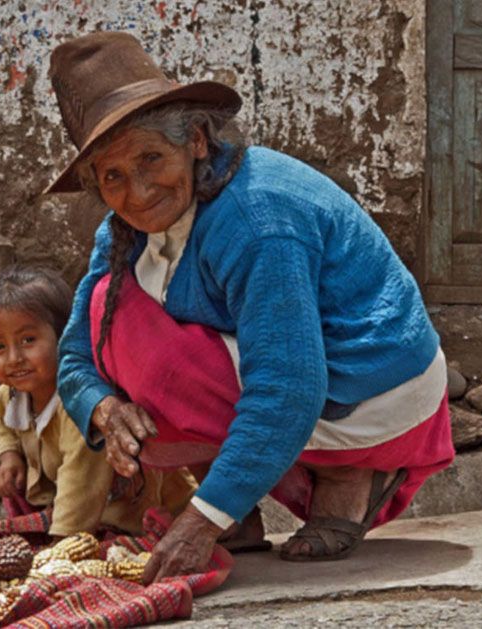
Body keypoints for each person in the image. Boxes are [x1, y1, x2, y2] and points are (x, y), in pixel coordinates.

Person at [47, 32, 455, 580]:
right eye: (114, 176)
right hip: (290, 376)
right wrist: (103, 408)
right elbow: (76, 349)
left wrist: (200, 521)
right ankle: (234, 503)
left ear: (194, 141)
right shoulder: (122, 232)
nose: (138, 192)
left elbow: (287, 385)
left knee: (151, 355)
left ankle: (350, 474)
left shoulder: (258, 219)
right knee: (109, 310)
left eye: (151, 158)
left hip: (369, 390)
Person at [0, 265, 197, 538]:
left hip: (132, 510)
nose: (14, 358)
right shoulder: (10, 394)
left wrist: (62, 544)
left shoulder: (83, 408)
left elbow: (81, 480)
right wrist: (9, 456)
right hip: (81, 500)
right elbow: (1, 420)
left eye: (28, 340)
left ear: (65, 336)